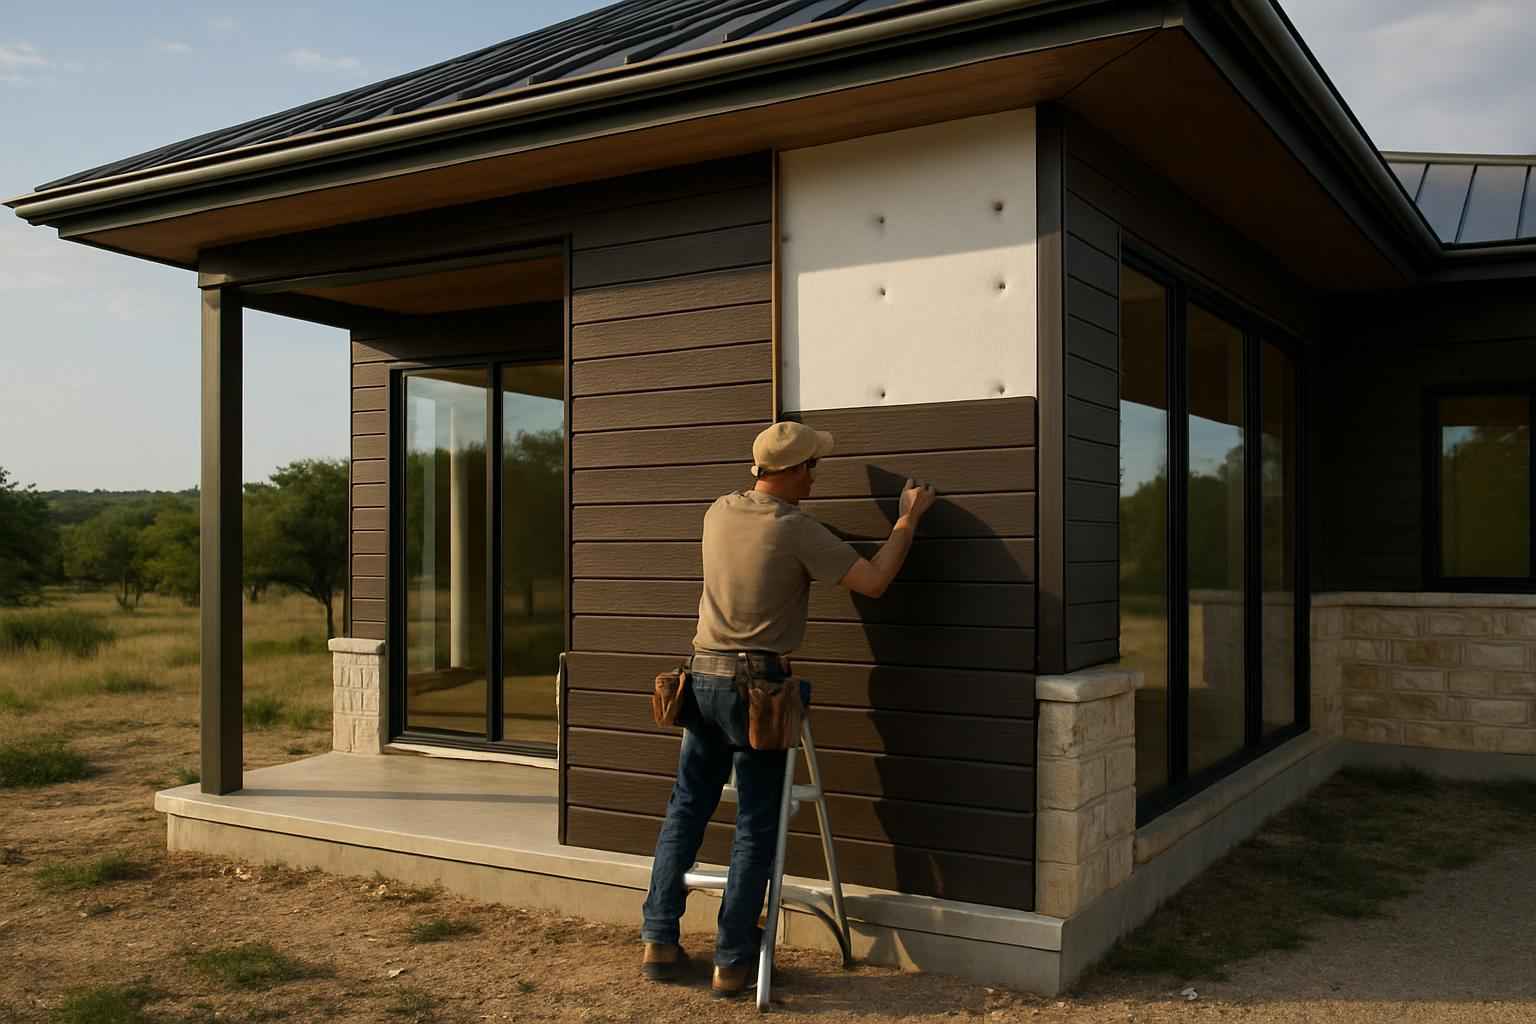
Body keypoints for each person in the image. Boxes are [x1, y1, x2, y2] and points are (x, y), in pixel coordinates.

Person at [639, 420, 938, 997]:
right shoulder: (797, 529)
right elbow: (875, 580)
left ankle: (659, 940)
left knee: (686, 810)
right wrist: (907, 519)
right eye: (812, 468)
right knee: (755, 823)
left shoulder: (719, 511)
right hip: (759, 691)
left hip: (700, 679)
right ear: (797, 470)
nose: (816, 479)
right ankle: (733, 962)